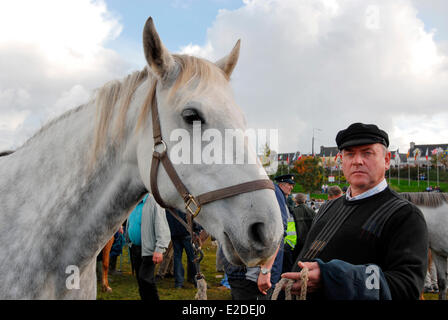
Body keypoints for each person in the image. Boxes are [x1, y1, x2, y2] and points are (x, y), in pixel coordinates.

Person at [281, 122, 428, 300]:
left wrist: (333, 277)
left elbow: (406, 286)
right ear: (342, 161)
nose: (357, 160)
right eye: (350, 154)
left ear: (387, 160)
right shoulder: (328, 207)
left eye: (367, 153)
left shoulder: (404, 215)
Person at [127, 193, 171, 300]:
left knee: (145, 279)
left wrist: (160, 249)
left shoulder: (154, 201)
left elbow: (162, 227)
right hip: (134, 247)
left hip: (149, 250)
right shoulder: (134, 201)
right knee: (140, 281)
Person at [165, 208, 200, 289]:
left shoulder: (168, 207)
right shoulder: (182, 205)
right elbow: (191, 217)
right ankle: (196, 281)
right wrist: (196, 230)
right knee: (193, 258)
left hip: (174, 234)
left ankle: (178, 283)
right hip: (186, 233)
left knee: (177, 258)